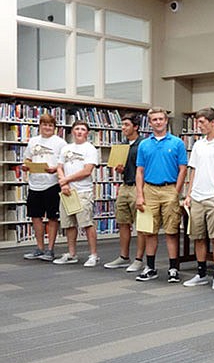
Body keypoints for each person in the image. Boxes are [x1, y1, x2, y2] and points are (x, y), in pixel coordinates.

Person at [182, 107, 214, 291]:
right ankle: (201, 273)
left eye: (202, 122)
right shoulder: (198, 144)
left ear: (212, 122)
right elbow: (193, 170)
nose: (199, 125)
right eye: (198, 122)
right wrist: (188, 194)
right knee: (198, 237)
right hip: (196, 197)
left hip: (213, 196)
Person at [135, 107, 188, 282]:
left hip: (169, 189)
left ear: (166, 121)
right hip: (149, 189)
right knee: (150, 231)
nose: (158, 122)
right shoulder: (144, 144)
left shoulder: (177, 143)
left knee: (172, 231)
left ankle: (173, 268)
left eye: (161, 119)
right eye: (154, 120)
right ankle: (150, 267)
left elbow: (183, 169)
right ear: (150, 123)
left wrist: (176, 191)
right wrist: (140, 195)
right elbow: (140, 171)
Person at [53, 121, 99, 267]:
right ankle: (72, 254)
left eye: (83, 129)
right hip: (67, 191)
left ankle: (93, 255)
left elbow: (87, 171)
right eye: (77, 129)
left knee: (87, 224)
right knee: (69, 224)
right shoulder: (66, 148)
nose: (79, 131)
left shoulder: (90, 149)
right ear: (72, 131)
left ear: (87, 133)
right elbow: (59, 167)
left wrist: (66, 179)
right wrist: (64, 183)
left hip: (83, 191)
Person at [103, 113, 146, 272]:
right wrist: (119, 169)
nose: (123, 128)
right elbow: (121, 167)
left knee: (140, 224)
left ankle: (139, 259)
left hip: (138, 186)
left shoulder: (143, 144)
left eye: (127, 125)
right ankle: (123, 256)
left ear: (135, 127)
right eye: (122, 125)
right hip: (125, 185)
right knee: (122, 222)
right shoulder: (122, 145)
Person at [21, 113, 66, 262]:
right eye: (44, 124)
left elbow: (64, 162)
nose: (47, 127)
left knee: (53, 217)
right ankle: (39, 248)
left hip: (52, 184)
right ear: (39, 126)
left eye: (50, 125)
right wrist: (26, 166)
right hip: (34, 184)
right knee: (35, 217)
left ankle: (50, 249)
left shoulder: (60, 143)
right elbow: (28, 158)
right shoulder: (33, 141)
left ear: (54, 127)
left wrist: (55, 169)